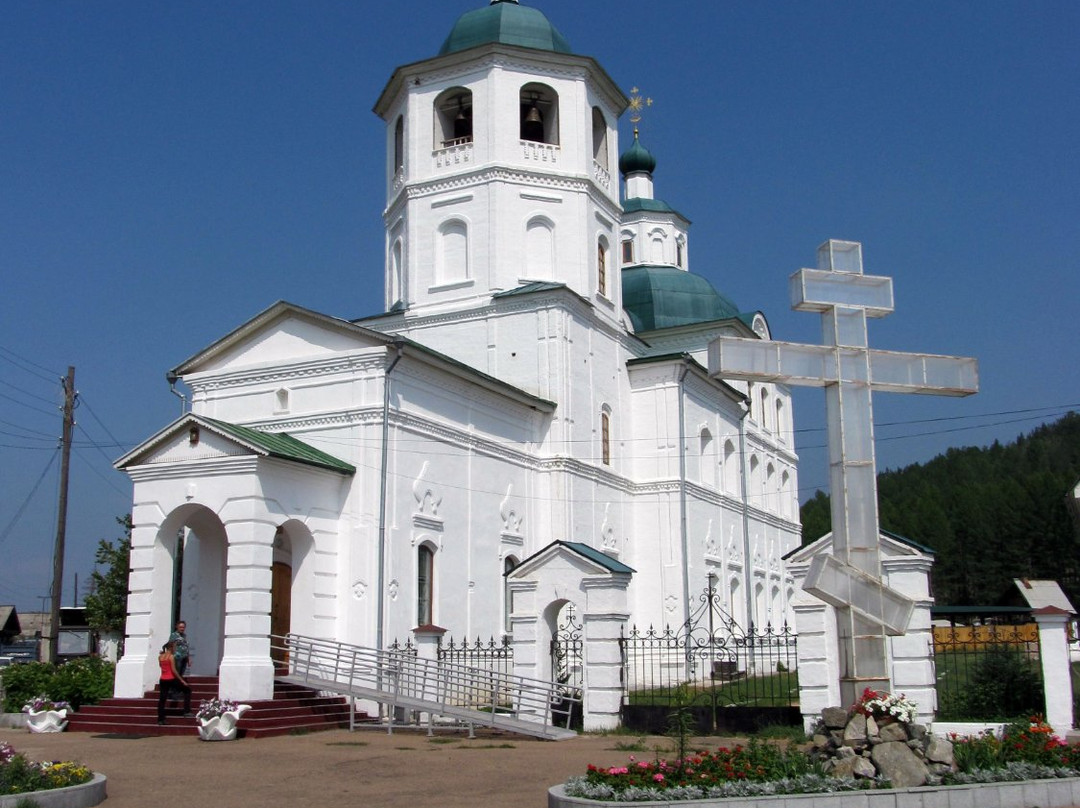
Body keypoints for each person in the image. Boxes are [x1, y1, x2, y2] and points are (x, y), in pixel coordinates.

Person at [157, 640, 191, 724]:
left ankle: (160, 719)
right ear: (171, 648)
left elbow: (161, 667)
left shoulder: (160, 657)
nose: (175, 649)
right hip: (170, 678)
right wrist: (182, 680)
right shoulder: (171, 657)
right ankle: (187, 711)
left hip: (163, 679)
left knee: (162, 699)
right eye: (175, 647)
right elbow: (174, 670)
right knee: (187, 690)